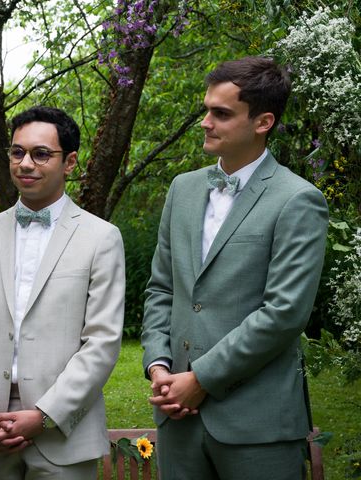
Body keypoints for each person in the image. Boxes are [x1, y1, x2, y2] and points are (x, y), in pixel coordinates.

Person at [141, 56, 329, 479]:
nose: (205, 122)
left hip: (257, 424)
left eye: (221, 114)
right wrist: (158, 365)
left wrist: (201, 379)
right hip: (178, 421)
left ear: (263, 122)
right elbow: (161, 289)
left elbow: (284, 314)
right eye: (206, 109)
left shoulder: (298, 200)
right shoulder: (183, 189)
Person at [0, 106, 126, 479]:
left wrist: (45, 415)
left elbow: (102, 341)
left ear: (70, 162)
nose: (25, 163)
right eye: (17, 152)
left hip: (63, 434)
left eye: (40, 154)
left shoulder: (101, 238)